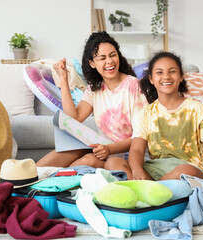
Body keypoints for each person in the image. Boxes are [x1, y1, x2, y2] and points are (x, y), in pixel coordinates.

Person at [104, 51, 203, 183]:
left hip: (191, 171)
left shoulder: (197, 108)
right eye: (159, 72)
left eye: (172, 71)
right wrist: (137, 169)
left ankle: (151, 190)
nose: (166, 76)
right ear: (151, 79)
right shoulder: (145, 113)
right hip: (156, 170)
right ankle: (156, 190)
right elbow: (137, 149)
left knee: (186, 170)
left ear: (181, 76)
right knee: (112, 162)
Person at [36, 31, 147, 168]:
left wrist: (110, 149)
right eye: (102, 58)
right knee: (68, 150)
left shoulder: (133, 86)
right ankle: (26, 177)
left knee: (86, 161)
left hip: (127, 153)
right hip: (104, 149)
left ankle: (46, 181)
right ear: (92, 63)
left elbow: (141, 136)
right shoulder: (94, 89)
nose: (109, 61)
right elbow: (73, 118)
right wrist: (63, 78)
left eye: (113, 55)